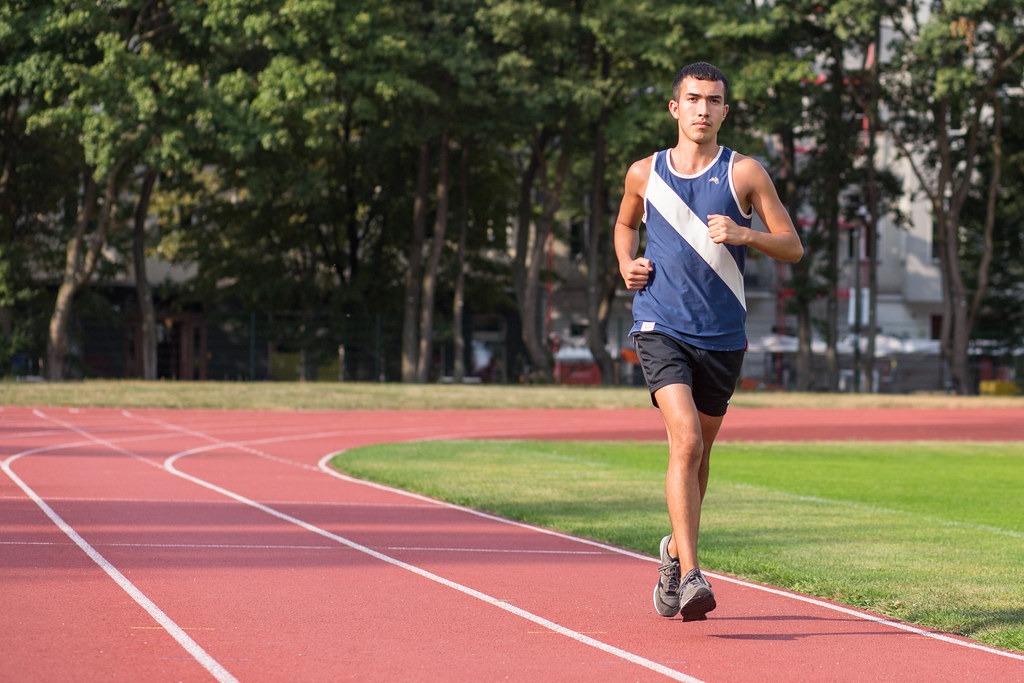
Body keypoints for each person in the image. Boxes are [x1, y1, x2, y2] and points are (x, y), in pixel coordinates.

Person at [613, 62, 803, 621]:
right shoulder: (643, 174)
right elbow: (625, 225)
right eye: (692, 99)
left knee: (699, 455)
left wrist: (745, 233)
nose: (702, 109)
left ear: (725, 110)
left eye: (713, 101)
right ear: (675, 108)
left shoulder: (745, 174)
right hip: (659, 325)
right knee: (687, 440)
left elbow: (792, 246)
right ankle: (693, 575)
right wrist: (627, 263)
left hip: (722, 335)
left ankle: (672, 549)